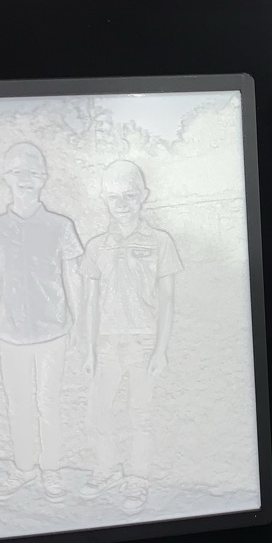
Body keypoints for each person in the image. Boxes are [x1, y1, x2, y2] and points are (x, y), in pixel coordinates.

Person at [0, 142, 83, 503]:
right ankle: (23, 468)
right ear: (6, 177)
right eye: (18, 172)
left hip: (53, 333)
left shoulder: (60, 226)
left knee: (48, 403)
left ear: (45, 178)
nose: (26, 179)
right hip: (10, 335)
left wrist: (80, 323)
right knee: (18, 404)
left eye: (34, 172)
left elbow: (73, 277)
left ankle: (51, 469)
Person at [78, 159, 182, 514]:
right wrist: (89, 349)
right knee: (96, 412)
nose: (121, 203)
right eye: (113, 197)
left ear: (144, 195)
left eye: (129, 195)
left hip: (143, 343)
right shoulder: (96, 246)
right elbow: (90, 302)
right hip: (106, 344)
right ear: (103, 199)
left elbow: (168, 299)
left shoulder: (160, 242)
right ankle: (107, 469)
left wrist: (161, 349)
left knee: (140, 415)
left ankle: (137, 479)